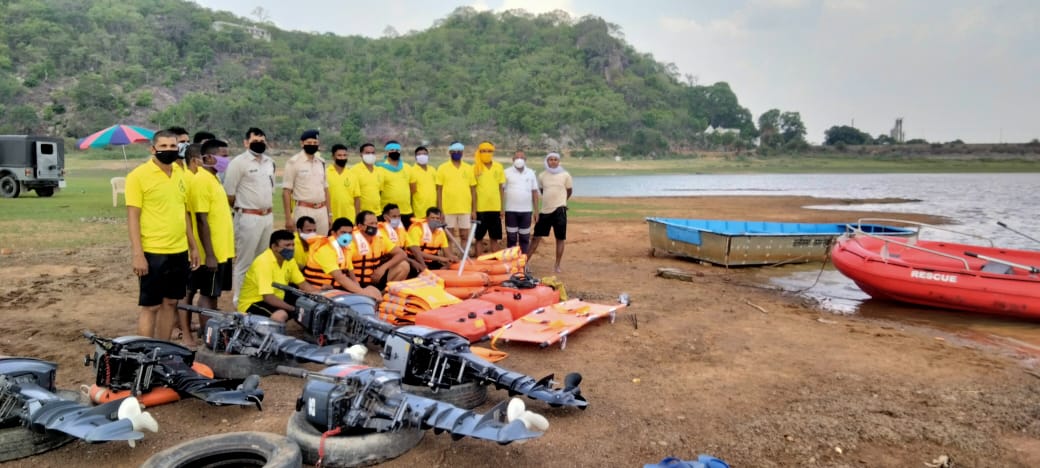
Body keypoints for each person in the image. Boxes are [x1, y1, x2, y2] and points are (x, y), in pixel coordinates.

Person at [126, 130, 200, 344]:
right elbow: (133, 217)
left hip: (178, 250)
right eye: (164, 146)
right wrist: (138, 254)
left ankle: (163, 348)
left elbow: (183, 212)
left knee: (170, 303)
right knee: (151, 306)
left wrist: (193, 246)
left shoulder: (179, 174)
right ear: (153, 149)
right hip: (153, 251)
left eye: (172, 146)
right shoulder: (138, 176)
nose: (169, 150)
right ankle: (144, 353)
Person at [223, 127, 275, 306]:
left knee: (262, 260)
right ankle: (240, 302)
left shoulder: (270, 162)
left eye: (262, 140)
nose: (259, 143)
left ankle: (258, 298)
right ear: (246, 143)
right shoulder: (239, 163)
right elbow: (229, 193)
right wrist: (243, 209)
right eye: (255, 140)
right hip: (248, 217)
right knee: (245, 261)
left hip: (267, 216)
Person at [188, 140, 236, 315]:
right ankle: (207, 331)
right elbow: (201, 219)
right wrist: (209, 255)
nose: (226, 160)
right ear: (208, 158)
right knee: (208, 295)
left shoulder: (213, 179)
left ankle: (209, 330)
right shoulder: (201, 181)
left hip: (221, 250)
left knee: (214, 295)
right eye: (223, 156)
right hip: (212, 251)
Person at [237, 230, 321, 323]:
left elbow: (303, 284)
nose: (291, 248)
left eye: (293, 245)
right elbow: (268, 297)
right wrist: (293, 309)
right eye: (287, 245)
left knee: (310, 302)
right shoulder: (263, 263)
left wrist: (321, 297)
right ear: (274, 247)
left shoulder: (289, 260)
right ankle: (275, 335)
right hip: (254, 301)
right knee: (280, 315)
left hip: (278, 296)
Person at [302, 218, 383, 301]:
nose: (347, 236)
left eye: (350, 233)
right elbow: (340, 278)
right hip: (320, 290)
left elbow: (352, 275)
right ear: (333, 233)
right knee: (367, 295)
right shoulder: (325, 250)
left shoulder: (345, 249)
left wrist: (361, 291)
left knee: (373, 289)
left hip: (336, 288)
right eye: (343, 232)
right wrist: (363, 293)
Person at [529, 152, 573, 273]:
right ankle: (525, 263)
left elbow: (569, 190)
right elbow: (543, 191)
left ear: (558, 161)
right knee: (536, 237)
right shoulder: (542, 175)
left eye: (555, 159)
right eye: (550, 159)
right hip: (545, 211)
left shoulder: (565, 175)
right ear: (547, 161)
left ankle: (557, 265)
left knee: (560, 238)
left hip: (560, 210)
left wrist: (562, 201)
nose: (553, 161)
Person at [282, 129, 331, 235]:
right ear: (302, 143)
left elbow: (325, 189)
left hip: (322, 210)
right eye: (309, 143)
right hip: (304, 209)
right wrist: (288, 218)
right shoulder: (293, 162)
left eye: (315, 143)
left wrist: (329, 214)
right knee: (304, 244)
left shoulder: (321, 162)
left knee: (322, 243)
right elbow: (286, 192)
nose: (312, 145)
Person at [435, 142, 477, 258]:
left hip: (465, 208)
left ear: (462, 152)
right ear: (450, 152)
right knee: (448, 236)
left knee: (464, 236)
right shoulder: (442, 168)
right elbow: (439, 190)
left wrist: (473, 210)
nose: (456, 153)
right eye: (454, 151)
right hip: (448, 209)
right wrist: (440, 210)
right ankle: (449, 259)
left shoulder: (468, 168)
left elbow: (473, 190)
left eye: (459, 151)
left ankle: (463, 259)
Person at [351, 210, 409, 290]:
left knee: (404, 265)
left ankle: (384, 294)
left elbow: (402, 254)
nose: (375, 226)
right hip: (357, 282)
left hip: (376, 278)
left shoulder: (380, 237)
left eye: (376, 223)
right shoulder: (351, 241)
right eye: (371, 224)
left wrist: (383, 268)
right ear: (360, 226)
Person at [503, 150, 539, 254]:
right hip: (511, 211)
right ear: (513, 160)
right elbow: (501, 190)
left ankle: (523, 264)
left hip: (526, 211)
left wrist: (536, 211)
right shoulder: (506, 172)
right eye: (517, 158)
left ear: (525, 160)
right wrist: (501, 208)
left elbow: (534, 192)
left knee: (524, 238)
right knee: (511, 238)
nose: (519, 160)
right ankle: (511, 264)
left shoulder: (531, 173)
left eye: (522, 158)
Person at [472, 141, 505, 256]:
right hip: (481, 208)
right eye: (483, 151)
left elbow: (501, 188)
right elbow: (473, 191)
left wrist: (502, 208)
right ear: (479, 152)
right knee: (479, 237)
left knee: (494, 237)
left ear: (493, 152)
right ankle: (479, 262)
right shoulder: (475, 168)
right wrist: (474, 210)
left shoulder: (498, 167)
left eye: (489, 151)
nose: (486, 153)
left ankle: (495, 262)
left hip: (495, 208)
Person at [376, 141, 414, 228]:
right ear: (386, 152)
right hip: (388, 212)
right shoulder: (380, 168)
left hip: (405, 210)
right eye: (392, 150)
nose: (395, 152)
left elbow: (412, 189)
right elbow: (378, 191)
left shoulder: (407, 167)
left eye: (397, 150)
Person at [381, 203, 425, 275]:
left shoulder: (401, 229)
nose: (397, 219)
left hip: (404, 258)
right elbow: (391, 254)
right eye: (394, 216)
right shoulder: (382, 231)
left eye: (399, 216)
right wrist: (412, 261)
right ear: (386, 218)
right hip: (389, 262)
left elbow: (413, 248)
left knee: (420, 267)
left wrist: (423, 265)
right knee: (404, 265)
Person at [327, 143, 361, 226]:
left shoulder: (352, 175)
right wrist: (328, 215)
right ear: (333, 157)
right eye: (339, 155)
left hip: (349, 217)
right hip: (331, 217)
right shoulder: (325, 173)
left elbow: (357, 198)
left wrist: (357, 217)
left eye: (345, 155)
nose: (342, 158)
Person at [351, 143, 384, 214]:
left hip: (378, 212)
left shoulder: (379, 171)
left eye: (373, 153)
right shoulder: (354, 171)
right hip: (362, 213)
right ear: (361, 154)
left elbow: (379, 191)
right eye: (367, 153)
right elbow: (353, 195)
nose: (370, 155)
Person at [409, 145, 436, 223]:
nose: (422, 156)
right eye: (419, 154)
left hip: (433, 210)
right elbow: (411, 192)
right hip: (419, 210)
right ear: (415, 157)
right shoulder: (412, 171)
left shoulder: (432, 170)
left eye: (424, 154)